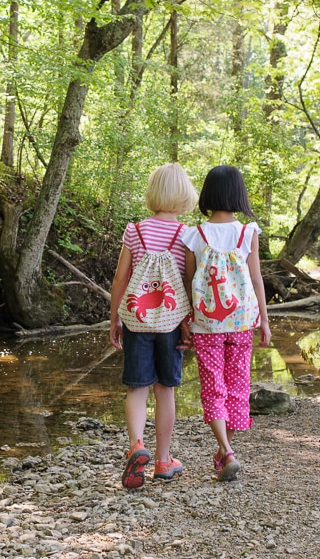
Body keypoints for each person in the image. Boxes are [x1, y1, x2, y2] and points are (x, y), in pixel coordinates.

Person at [110, 163, 198, 489]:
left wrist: (115, 318)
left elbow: (121, 278)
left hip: (137, 321)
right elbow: (189, 282)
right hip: (171, 323)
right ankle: (163, 460)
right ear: (185, 194)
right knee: (165, 391)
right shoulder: (186, 234)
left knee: (137, 388)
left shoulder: (135, 231)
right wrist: (190, 323)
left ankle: (136, 446)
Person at [181, 165, 271, 481]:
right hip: (243, 321)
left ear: (207, 195)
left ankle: (226, 451)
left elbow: (190, 281)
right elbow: (256, 278)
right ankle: (225, 450)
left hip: (207, 324)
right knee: (236, 385)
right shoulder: (248, 232)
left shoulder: (195, 234)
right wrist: (265, 320)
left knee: (213, 385)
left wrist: (187, 321)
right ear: (238, 194)